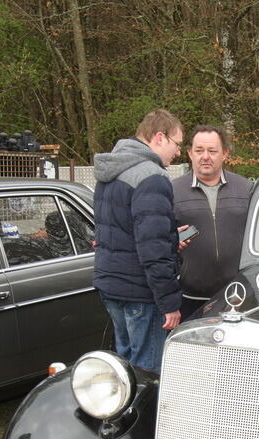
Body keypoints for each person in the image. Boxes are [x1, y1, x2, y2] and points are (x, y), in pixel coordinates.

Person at [93, 109, 185, 372]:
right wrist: (169, 303)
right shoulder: (151, 177)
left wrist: (171, 236)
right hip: (141, 293)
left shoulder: (110, 172)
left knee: (124, 368)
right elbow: (152, 248)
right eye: (177, 144)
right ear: (159, 137)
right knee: (148, 373)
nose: (178, 152)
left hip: (111, 286)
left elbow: (121, 232)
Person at [171, 125, 254, 320]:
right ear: (190, 153)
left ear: (224, 153)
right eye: (199, 151)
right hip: (190, 297)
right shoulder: (172, 191)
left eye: (212, 151)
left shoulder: (246, 189)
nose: (205, 156)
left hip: (238, 294)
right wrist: (172, 241)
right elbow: (158, 241)